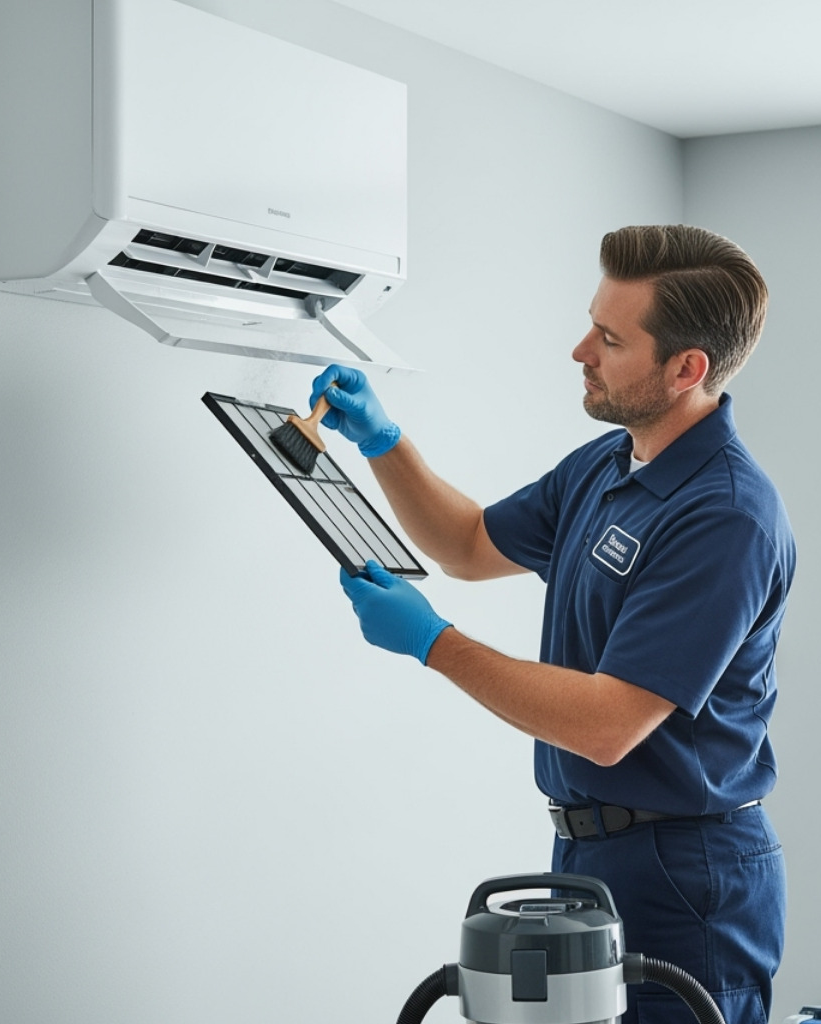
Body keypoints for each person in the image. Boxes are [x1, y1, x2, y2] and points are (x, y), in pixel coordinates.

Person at [319, 224, 795, 1024]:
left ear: (687, 369)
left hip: (685, 870)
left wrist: (435, 643)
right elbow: (468, 545)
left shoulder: (726, 516)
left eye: (610, 338)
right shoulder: (611, 463)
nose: (581, 350)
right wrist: (382, 441)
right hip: (587, 850)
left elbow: (609, 725)